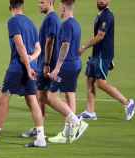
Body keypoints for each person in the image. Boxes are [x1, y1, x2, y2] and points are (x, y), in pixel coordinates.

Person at [0, 0, 47, 148]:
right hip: (32, 66)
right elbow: (39, 48)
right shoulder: (31, 23)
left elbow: (20, 45)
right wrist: (31, 61)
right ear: (22, 7)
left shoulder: (13, 21)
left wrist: (26, 64)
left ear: (10, 7)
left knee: (4, 97)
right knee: (32, 100)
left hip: (18, 67)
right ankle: (41, 138)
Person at [78, 0, 135, 121]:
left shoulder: (107, 16)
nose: (101, 0)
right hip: (98, 54)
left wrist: (84, 47)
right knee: (90, 79)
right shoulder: (101, 15)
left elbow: (100, 36)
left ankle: (128, 103)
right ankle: (90, 111)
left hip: (102, 55)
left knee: (101, 83)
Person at [46, 0, 88, 143]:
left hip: (66, 66)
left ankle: (77, 122)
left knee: (50, 97)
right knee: (70, 94)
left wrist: (57, 68)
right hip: (75, 64)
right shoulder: (76, 24)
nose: (59, 9)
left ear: (64, 7)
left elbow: (65, 45)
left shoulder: (66, 25)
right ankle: (67, 133)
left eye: (60, 7)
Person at [21, 0, 61, 138]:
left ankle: (73, 119)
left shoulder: (52, 19)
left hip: (47, 64)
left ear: (51, 2)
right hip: (44, 62)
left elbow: (50, 42)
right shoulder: (50, 18)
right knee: (41, 95)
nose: (39, 5)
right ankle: (39, 127)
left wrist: (46, 64)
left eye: (42, 2)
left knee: (43, 96)